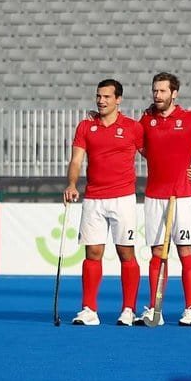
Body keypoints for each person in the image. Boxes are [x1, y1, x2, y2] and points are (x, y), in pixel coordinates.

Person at [62, 79, 144, 326]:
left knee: (125, 253)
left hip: (123, 198)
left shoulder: (132, 127)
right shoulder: (86, 126)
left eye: (107, 96)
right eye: (99, 96)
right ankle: (89, 309)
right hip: (94, 199)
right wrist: (72, 184)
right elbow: (76, 160)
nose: (101, 100)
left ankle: (128, 309)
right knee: (93, 253)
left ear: (118, 99)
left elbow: (153, 154)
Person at [138, 72, 191, 327]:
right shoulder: (146, 119)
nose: (157, 95)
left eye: (163, 91)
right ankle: (155, 308)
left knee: (185, 250)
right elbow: (138, 145)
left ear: (174, 93)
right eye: (155, 90)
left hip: (182, 195)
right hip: (154, 195)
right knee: (157, 253)